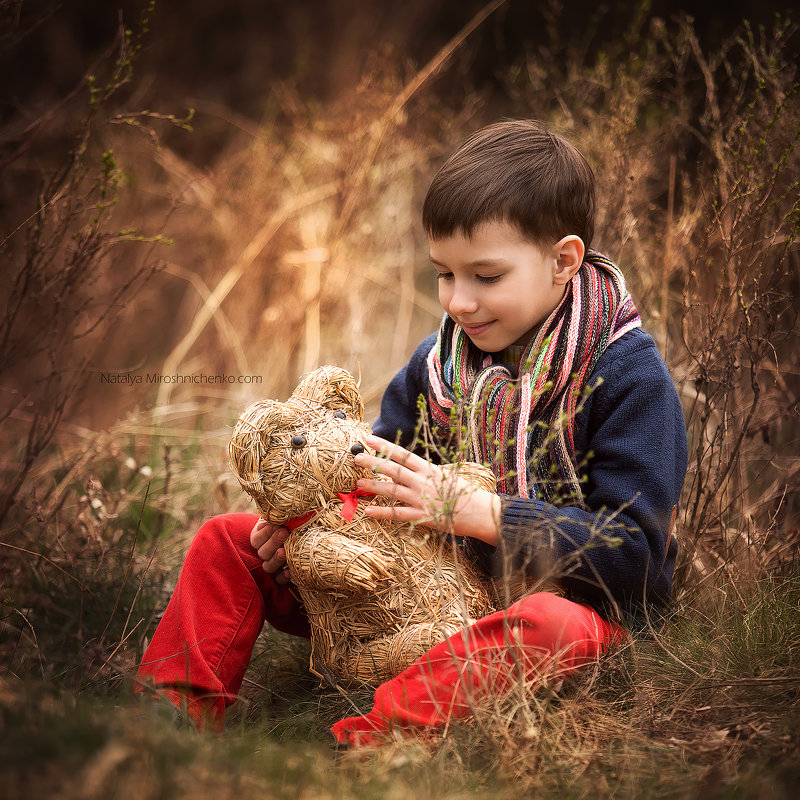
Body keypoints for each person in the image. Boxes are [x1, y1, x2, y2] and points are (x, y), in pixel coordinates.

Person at [136, 119, 687, 748]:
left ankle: (365, 742)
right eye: (444, 275)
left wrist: (489, 515)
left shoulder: (626, 377)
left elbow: (639, 560)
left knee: (547, 625)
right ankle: (168, 723)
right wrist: (306, 527)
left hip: (569, 609)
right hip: (417, 595)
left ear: (563, 261)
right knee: (225, 540)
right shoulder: (440, 363)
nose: (458, 302)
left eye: (486, 276)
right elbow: (370, 476)